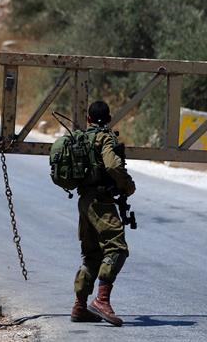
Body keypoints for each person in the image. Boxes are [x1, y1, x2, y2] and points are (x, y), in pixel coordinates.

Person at [71, 101, 136, 327]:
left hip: (84, 201)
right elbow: (112, 165)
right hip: (101, 201)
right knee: (117, 248)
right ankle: (101, 300)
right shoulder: (105, 138)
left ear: (88, 119)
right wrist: (127, 185)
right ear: (108, 119)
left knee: (91, 255)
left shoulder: (81, 138)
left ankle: (80, 307)